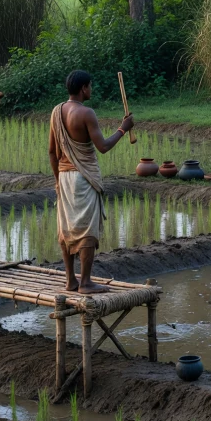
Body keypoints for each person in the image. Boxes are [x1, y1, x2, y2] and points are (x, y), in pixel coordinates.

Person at [48, 70, 133, 294]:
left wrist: (57, 181)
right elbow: (103, 147)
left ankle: (70, 281)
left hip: (64, 176)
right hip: (82, 178)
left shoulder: (56, 112)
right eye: (90, 86)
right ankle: (85, 282)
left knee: (66, 228)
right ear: (84, 88)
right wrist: (123, 129)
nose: (91, 90)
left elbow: (51, 152)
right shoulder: (86, 113)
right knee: (86, 230)